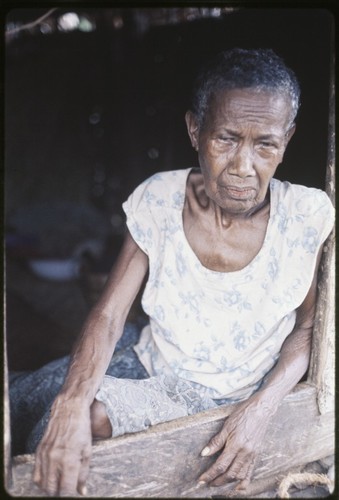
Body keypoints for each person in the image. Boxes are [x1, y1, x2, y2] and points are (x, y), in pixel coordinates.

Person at [9, 48, 334, 496]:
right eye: (226, 139)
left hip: (231, 394)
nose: (244, 167)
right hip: (152, 363)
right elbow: (108, 315)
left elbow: (311, 325)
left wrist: (261, 409)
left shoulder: (306, 215)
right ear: (195, 130)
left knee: (72, 423)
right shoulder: (159, 198)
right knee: (35, 405)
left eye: (266, 144)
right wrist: (68, 402)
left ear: (288, 139)